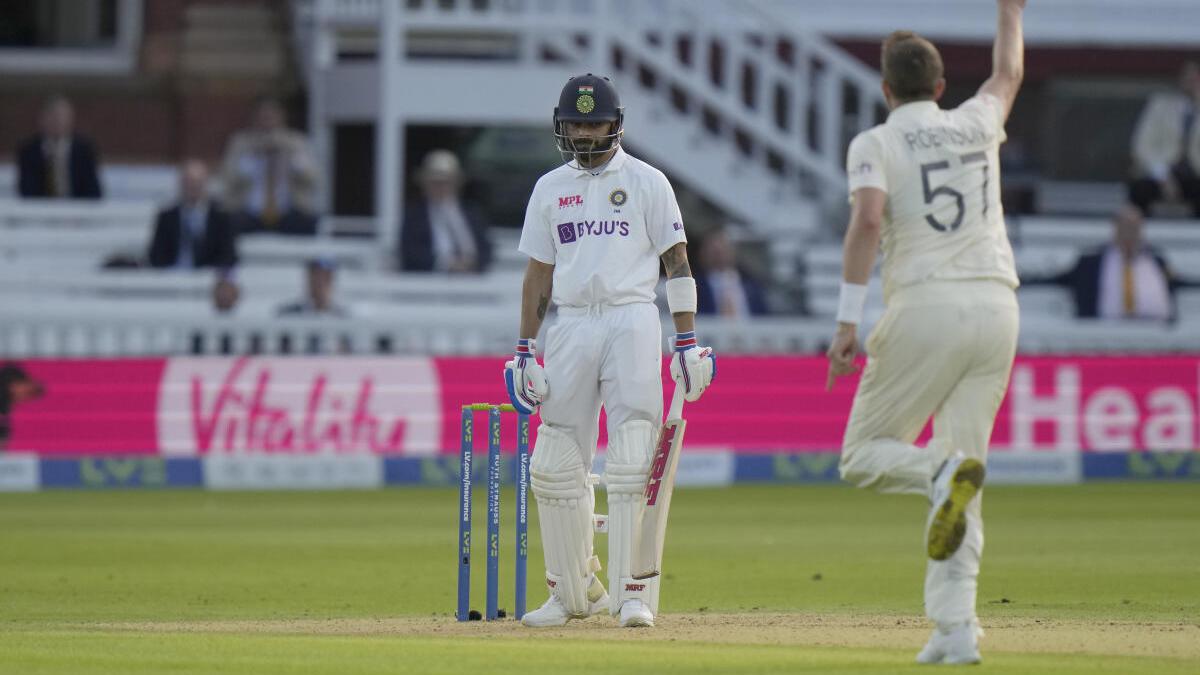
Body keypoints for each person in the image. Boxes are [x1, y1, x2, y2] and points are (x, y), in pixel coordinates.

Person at [824, 1, 1026, 665]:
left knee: (864, 454)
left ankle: (940, 474)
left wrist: (847, 320)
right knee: (966, 473)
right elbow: (1007, 74)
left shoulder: (877, 141)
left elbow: (867, 222)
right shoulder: (975, 118)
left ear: (886, 90)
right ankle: (956, 629)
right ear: (941, 88)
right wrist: (1009, 10)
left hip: (926, 304)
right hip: (998, 305)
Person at [504, 74, 715, 630]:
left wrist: (687, 340)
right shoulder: (550, 188)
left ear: (616, 124)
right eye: (574, 123)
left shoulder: (648, 182)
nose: (583, 133)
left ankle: (633, 593)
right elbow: (537, 276)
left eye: (594, 123)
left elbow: (678, 264)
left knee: (630, 459)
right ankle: (573, 593)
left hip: (631, 318)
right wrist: (525, 349)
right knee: (552, 463)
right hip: (571, 324)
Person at [1026, 204, 1190, 322]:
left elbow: (1179, 284)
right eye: (1125, 226)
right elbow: (1057, 279)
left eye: (1135, 227)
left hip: (1157, 338)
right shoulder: (1090, 263)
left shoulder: (1156, 260)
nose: (1130, 232)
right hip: (1103, 337)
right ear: (1115, 228)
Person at [220, 98, 321, 235]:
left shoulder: (296, 142)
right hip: (250, 212)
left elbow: (312, 179)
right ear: (255, 119)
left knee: (308, 222)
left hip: (287, 212)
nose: (267, 122)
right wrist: (251, 157)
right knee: (228, 223)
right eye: (263, 117)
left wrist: (290, 157)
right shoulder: (241, 143)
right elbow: (228, 179)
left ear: (281, 118)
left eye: (271, 117)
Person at [399, 149, 494, 273]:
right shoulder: (414, 215)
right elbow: (410, 252)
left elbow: (486, 248)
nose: (441, 187)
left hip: (472, 282)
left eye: (446, 182)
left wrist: (471, 264)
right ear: (424, 184)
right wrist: (446, 264)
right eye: (435, 182)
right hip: (427, 283)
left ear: (456, 183)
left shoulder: (471, 213)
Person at [1128, 61, 1200, 217]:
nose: (1191, 81)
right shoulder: (1160, 105)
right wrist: (1163, 176)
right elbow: (1142, 146)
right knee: (1140, 189)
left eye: (1196, 77)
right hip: (1162, 170)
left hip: (1195, 174)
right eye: (1188, 77)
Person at [147, 160, 238, 269]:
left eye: (198, 182)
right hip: (172, 277)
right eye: (189, 182)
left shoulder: (221, 218)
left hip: (207, 278)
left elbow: (229, 256)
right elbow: (156, 255)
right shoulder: (167, 217)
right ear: (181, 183)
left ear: (206, 184)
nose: (194, 186)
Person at [16, 96, 102, 199]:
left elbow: (93, 191)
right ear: (42, 119)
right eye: (53, 116)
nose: (58, 121)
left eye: (63, 116)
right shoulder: (28, 150)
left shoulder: (85, 150)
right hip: (39, 210)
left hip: (78, 211)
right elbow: (26, 190)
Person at [694, 227, 769, 317]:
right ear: (702, 253)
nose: (719, 256)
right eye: (714, 251)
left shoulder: (753, 287)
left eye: (723, 249)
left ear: (733, 251)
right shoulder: (695, 288)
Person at [277, 258, 349, 318]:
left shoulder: (341, 316)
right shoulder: (289, 314)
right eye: (316, 276)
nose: (320, 283)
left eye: (325, 278)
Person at [0, 363, 46, 452]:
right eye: (28, 392)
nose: (24, 398)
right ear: (13, 385)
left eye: (29, 395)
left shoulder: (5, 409)